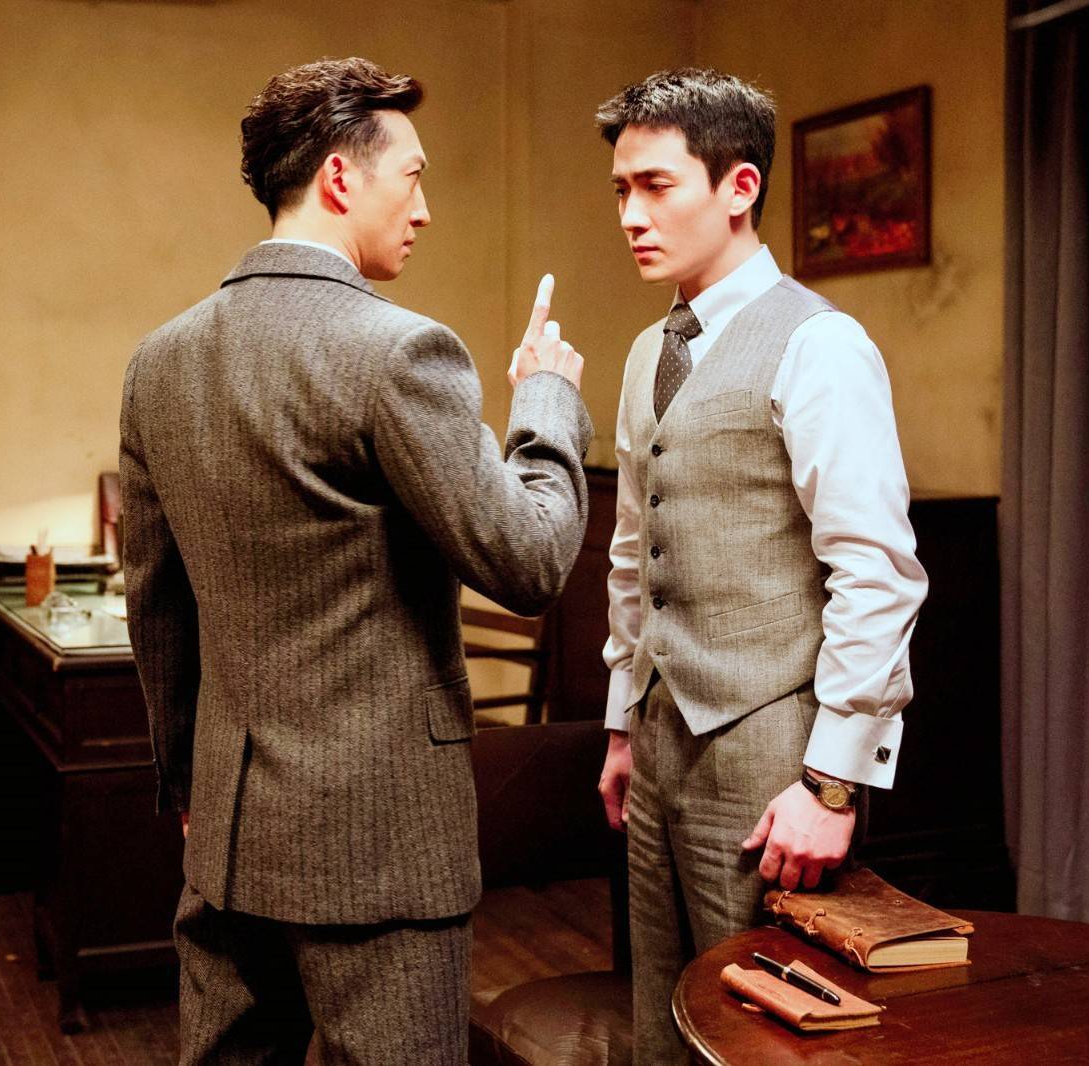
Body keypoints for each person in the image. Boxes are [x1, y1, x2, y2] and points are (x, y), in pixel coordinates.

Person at [118, 57, 592, 1065]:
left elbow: (155, 606)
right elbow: (528, 562)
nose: (423, 208)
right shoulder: (398, 351)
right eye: (411, 177)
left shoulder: (158, 361)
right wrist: (546, 403)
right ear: (340, 177)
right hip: (379, 846)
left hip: (228, 836)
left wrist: (191, 786)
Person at [590, 68, 930, 1063]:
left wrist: (831, 785)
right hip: (659, 739)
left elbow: (877, 570)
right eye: (621, 190)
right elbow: (631, 551)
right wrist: (621, 720)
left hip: (770, 750)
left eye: (656, 186)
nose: (631, 215)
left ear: (739, 186)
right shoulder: (646, 351)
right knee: (662, 1026)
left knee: (768, 1036)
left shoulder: (820, 344)